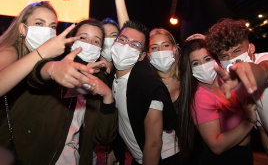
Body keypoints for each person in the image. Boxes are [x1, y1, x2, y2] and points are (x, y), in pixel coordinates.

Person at [0, 18, 118, 165]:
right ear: (71, 42)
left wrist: (108, 96)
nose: (89, 44)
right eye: (83, 38)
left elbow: (103, 138)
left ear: (101, 49)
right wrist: (53, 69)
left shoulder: (99, 80)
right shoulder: (54, 61)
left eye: (96, 41)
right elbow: (36, 74)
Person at [177, 37, 256, 165]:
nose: (203, 66)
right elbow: (216, 146)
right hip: (227, 159)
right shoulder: (201, 97)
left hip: (245, 152)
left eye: (207, 59)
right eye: (196, 63)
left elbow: (231, 53)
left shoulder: (226, 78)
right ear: (190, 69)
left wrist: (208, 40)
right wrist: (250, 120)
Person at [109, 20, 177, 165]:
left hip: (164, 158)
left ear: (142, 56)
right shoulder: (112, 78)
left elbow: (154, 144)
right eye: (123, 40)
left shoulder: (147, 87)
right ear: (115, 42)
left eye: (135, 44)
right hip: (138, 156)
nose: (126, 46)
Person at [206, 18, 268, 159]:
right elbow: (264, 131)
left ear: (251, 48)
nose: (232, 59)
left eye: (236, 51)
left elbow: (264, 71)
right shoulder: (239, 88)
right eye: (224, 56)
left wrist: (255, 73)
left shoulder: (265, 60)